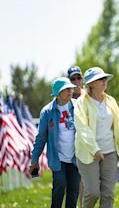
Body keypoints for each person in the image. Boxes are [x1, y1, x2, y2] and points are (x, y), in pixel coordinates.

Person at [74, 67, 119, 208]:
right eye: (100, 79)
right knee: (92, 193)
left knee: (108, 194)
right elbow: (82, 129)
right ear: (91, 84)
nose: (104, 81)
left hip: (110, 152)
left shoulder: (111, 101)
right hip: (88, 153)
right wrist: (95, 149)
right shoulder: (81, 102)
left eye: (105, 78)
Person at [30, 77, 81, 208]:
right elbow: (41, 137)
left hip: (76, 157)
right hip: (58, 159)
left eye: (71, 88)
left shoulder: (78, 107)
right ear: (58, 93)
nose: (71, 91)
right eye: (67, 89)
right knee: (59, 186)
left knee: (74, 191)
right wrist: (34, 159)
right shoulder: (47, 112)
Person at [67, 65, 85, 207]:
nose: (76, 81)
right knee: (71, 184)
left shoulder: (88, 96)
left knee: (84, 180)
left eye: (79, 77)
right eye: (73, 78)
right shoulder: (64, 98)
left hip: (85, 143)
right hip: (69, 145)